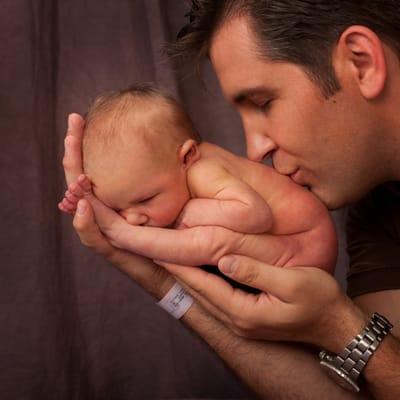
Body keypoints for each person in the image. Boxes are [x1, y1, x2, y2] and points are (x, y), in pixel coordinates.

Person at [62, 1, 400, 398]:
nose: (254, 150)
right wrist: (152, 274)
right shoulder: (377, 209)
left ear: (361, 62)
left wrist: (343, 326)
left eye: (263, 103)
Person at [59, 85, 337, 276]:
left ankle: (120, 234)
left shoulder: (202, 170)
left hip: (307, 242)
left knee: (201, 241)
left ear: (187, 156)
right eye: (118, 209)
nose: (133, 218)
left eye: (144, 200)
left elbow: (256, 215)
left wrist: (187, 214)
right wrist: (90, 204)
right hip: (287, 252)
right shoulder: (171, 175)